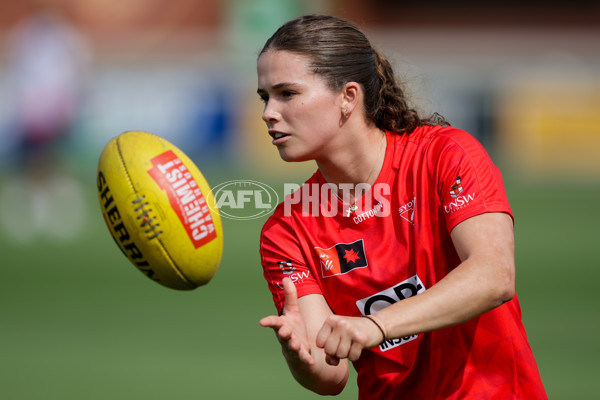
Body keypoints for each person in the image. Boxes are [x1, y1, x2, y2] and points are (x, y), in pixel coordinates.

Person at [257, 14, 547, 400]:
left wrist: (376, 326)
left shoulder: (446, 155)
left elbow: (494, 275)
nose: (268, 113)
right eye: (265, 97)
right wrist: (299, 354)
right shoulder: (286, 230)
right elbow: (331, 375)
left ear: (348, 97)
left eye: (287, 94)